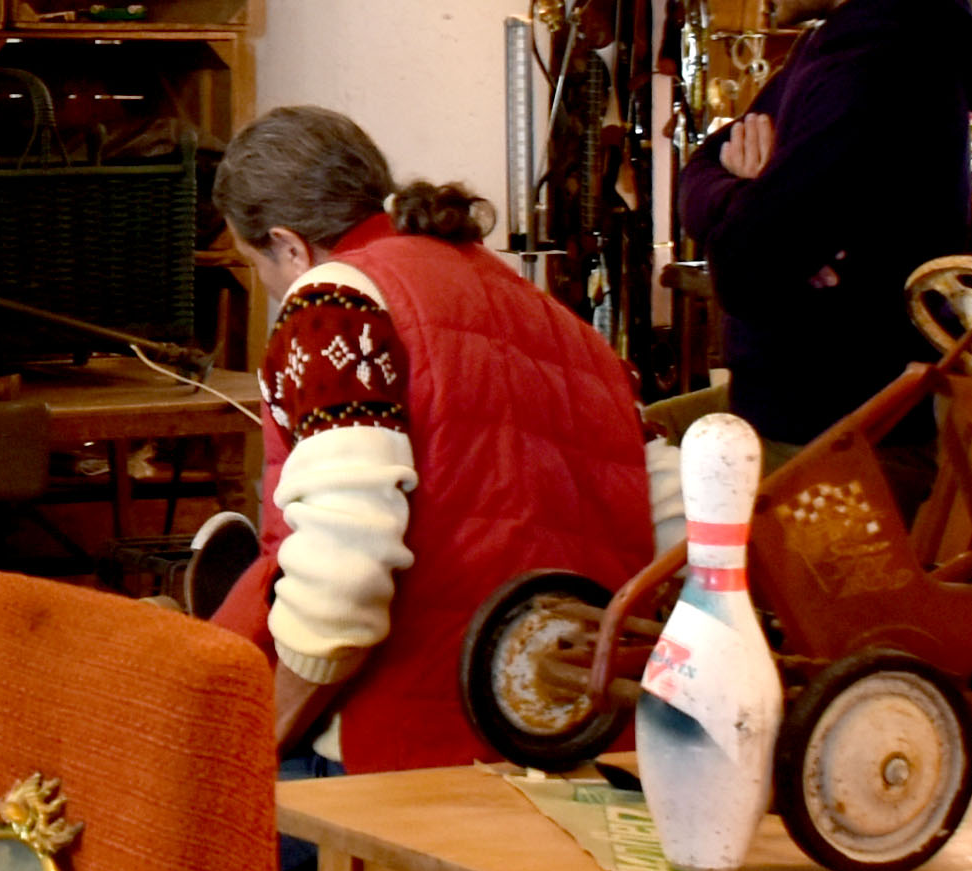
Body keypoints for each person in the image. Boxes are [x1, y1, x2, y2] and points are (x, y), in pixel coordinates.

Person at [205, 108, 662, 777]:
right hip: (578, 740)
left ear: (288, 245)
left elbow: (344, 575)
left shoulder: (333, 302)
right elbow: (671, 511)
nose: (272, 289)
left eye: (257, 267)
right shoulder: (553, 316)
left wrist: (253, 749)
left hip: (407, 749)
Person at [674, 0, 972, 454]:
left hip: (842, 438)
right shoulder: (835, 44)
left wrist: (757, 216)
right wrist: (750, 198)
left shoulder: (882, 64)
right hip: (795, 414)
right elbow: (697, 173)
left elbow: (747, 269)